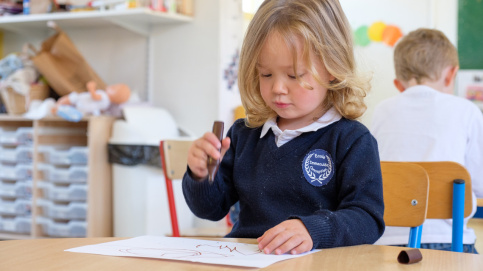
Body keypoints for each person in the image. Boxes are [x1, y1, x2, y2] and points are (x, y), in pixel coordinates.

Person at [182, 0, 384, 255]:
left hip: (316, 263)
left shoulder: (352, 140)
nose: (277, 88)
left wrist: (313, 230)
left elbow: (367, 219)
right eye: (266, 74)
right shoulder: (244, 134)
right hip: (247, 259)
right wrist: (201, 175)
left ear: (332, 67)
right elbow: (210, 209)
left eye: (294, 75)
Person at [371, 28, 483, 253]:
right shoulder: (467, 111)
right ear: (451, 74)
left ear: (398, 85)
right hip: (452, 242)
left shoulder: (381, 111)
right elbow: (480, 185)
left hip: (388, 244)